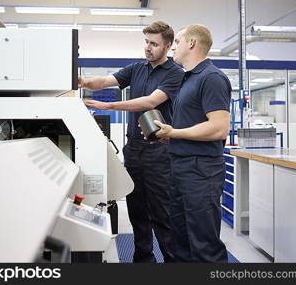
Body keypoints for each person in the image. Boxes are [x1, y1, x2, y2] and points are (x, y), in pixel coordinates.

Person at [78, 21, 184, 263]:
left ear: (167, 46)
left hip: (159, 152)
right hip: (134, 150)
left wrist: (110, 105)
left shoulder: (174, 73)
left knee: (161, 214)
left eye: (154, 44)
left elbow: (149, 102)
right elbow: (105, 81)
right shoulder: (137, 68)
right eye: (146, 42)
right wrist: (85, 82)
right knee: (137, 212)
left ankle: (173, 262)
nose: (148, 48)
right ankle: (143, 260)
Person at [154, 24, 231, 262]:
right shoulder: (187, 80)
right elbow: (192, 124)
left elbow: (219, 127)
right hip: (180, 167)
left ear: (192, 43)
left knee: (203, 244)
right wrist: (170, 134)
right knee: (180, 241)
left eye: (177, 42)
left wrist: (175, 132)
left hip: (201, 171)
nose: (173, 47)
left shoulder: (212, 78)